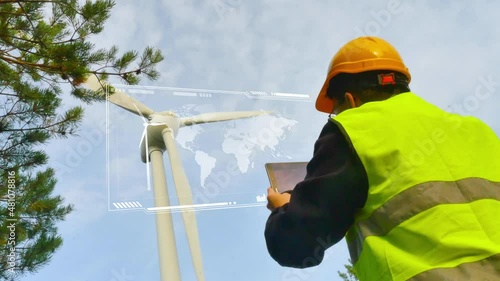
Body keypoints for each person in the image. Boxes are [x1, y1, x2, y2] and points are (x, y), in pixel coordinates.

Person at [264, 36, 500, 281]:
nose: (337, 115)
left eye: (335, 109)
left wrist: (283, 209)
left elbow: (297, 246)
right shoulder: (477, 130)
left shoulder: (353, 129)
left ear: (350, 99)